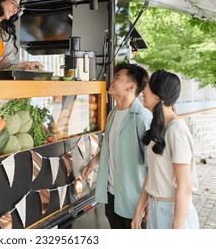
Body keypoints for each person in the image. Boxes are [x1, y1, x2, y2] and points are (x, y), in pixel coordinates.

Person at [81, 62, 152, 229]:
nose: (111, 80)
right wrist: (93, 163)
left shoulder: (142, 119)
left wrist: (144, 205)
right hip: (112, 195)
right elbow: (108, 145)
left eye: (117, 78)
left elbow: (153, 166)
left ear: (130, 87)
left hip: (134, 200)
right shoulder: (113, 113)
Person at [131, 70, 199, 229]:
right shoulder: (161, 127)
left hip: (172, 212)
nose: (142, 91)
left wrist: (177, 229)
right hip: (156, 208)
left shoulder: (176, 131)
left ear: (157, 96)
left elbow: (184, 186)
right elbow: (153, 172)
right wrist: (139, 209)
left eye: (147, 86)